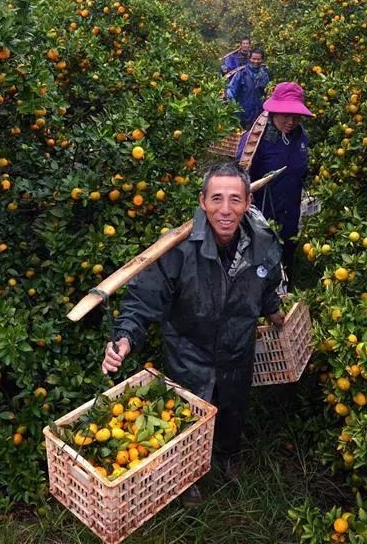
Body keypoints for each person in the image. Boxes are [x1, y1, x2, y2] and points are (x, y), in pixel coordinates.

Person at [101, 162, 285, 506]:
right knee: (186, 417)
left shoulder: (260, 241)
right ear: (202, 202)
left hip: (237, 348)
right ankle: (187, 476)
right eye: (216, 199)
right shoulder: (179, 249)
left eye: (235, 199)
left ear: (247, 203)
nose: (225, 210)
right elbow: (143, 298)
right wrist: (125, 336)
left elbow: (266, 281)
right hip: (190, 351)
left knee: (232, 407)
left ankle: (229, 454)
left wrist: (274, 310)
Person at [236, 82, 313, 268]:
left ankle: (285, 292)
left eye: (296, 117)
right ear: (274, 112)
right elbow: (239, 176)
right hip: (262, 213)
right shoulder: (255, 140)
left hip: (290, 212)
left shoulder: (301, 137)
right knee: (260, 259)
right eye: (286, 115)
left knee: (286, 254)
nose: (291, 122)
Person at [225, 47, 269, 130]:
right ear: (250, 58)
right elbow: (231, 91)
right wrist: (234, 109)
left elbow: (267, 93)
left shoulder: (264, 75)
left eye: (258, 59)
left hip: (259, 115)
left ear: (262, 59)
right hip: (242, 114)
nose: (256, 61)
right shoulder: (242, 73)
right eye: (254, 59)